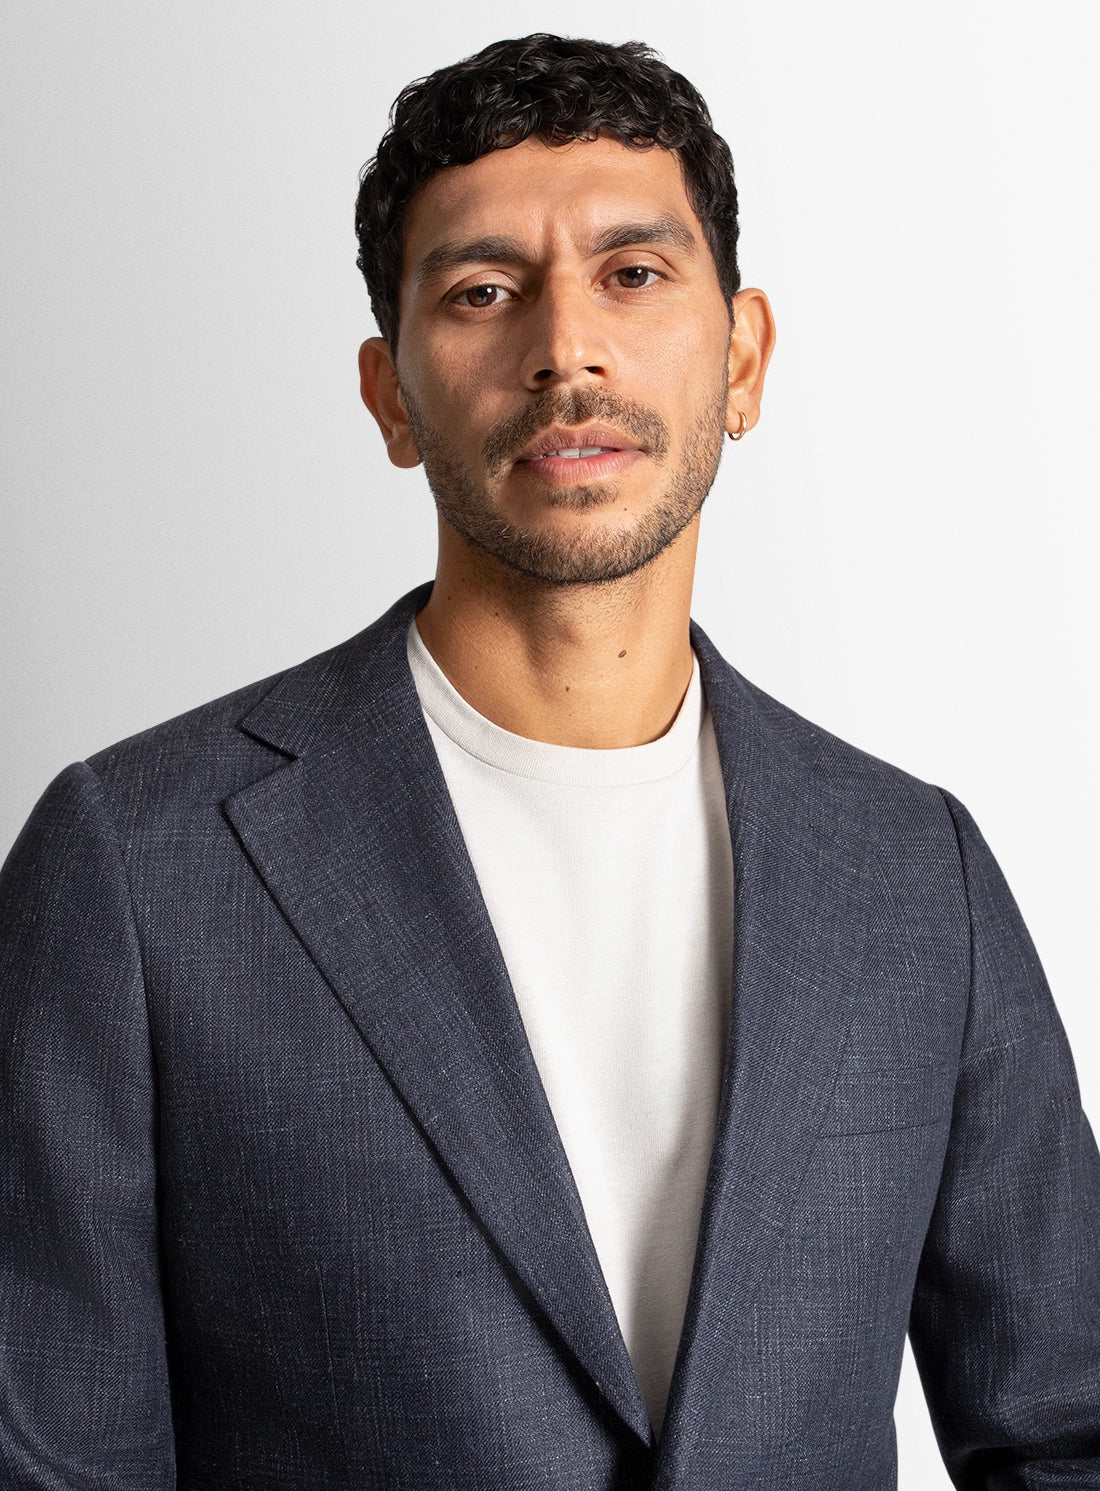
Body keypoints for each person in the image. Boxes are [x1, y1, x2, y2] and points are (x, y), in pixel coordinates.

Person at [1, 31, 1097, 1490]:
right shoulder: (140, 865)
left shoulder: (915, 872)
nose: (565, 348)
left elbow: (1068, 1431)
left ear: (745, 359)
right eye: (482, 292)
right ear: (392, 395)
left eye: (634, 276)